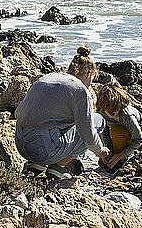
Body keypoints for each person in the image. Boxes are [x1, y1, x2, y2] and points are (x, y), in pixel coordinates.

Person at [15, 46, 110, 180]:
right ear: (89, 73)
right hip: (44, 150)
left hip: (21, 144)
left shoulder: (47, 78)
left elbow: (18, 112)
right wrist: (100, 150)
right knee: (98, 120)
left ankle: (36, 165)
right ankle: (58, 167)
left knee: (54, 122)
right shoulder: (80, 90)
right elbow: (87, 133)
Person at [95, 80, 142, 172]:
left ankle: (122, 160)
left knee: (116, 132)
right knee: (103, 163)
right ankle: (121, 153)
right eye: (109, 107)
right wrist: (109, 152)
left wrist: (120, 156)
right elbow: (105, 134)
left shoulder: (128, 116)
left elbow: (138, 139)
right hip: (121, 131)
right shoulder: (102, 114)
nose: (113, 111)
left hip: (140, 133)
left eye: (116, 107)